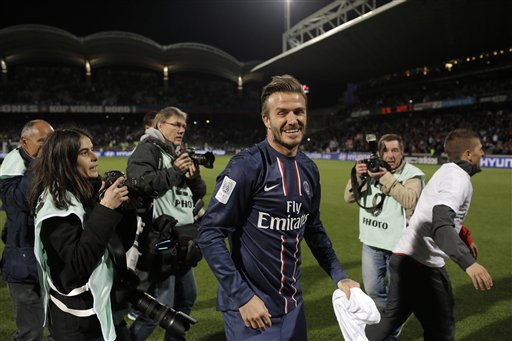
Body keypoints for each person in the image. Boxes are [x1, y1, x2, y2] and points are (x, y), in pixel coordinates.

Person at [197, 75, 359, 341]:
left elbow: (313, 228)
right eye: (282, 113)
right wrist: (242, 296)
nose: (292, 120)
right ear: (266, 119)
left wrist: (339, 275)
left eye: (299, 111)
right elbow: (209, 232)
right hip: (251, 309)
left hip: (293, 306)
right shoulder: (246, 167)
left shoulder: (309, 169)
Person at [365, 129, 493, 341]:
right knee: (442, 331)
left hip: (404, 257)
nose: (483, 154)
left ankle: (358, 335)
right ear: (469, 154)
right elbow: (440, 221)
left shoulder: (446, 171)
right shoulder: (459, 178)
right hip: (421, 265)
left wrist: (465, 237)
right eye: (481, 150)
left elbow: (434, 212)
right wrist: (468, 262)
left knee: (390, 321)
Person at [29, 128, 130, 341]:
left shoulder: (85, 192)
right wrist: (104, 210)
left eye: (92, 150)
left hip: (102, 310)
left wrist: (125, 209)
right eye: (85, 152)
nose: (95, 157)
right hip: (77, 323)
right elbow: (72, 273)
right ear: (65, 160)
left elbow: (118, 245)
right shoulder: (55, 207)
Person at [127, 106, 206, 341]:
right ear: (160, 125)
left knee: (187, 298)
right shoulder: (148, 148)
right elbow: (139, 184)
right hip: (161, 240)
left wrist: (193, 177)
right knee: (160, 306)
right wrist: (174, 171)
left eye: (184, 126)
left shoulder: (175, 153)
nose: (182, 130)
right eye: (176, 125)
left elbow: (197, 193)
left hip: (183, 238)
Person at [343, 134, 425, 339]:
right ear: (379, 152)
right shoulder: (370, 169)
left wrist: (384, 176)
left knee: (399, 296)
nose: (390, 155)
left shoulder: (412, 174)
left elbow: (409, 199)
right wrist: (359, 175)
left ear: (402, 152)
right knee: (373, 291)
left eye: (394, 150)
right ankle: (388, 328)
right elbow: (348, 197)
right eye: (385, 150)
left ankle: (388, 333)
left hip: (399, 246)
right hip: (372, 242)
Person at [0, 119, 54, 341]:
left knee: (59, 331)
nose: (48, 146)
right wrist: (40, 164)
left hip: (50, 261)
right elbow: (21, 201)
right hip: (23, 264)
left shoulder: (50, 164)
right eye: (43, 141)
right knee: (30, 333)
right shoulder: (11, 167)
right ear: (24, 142)